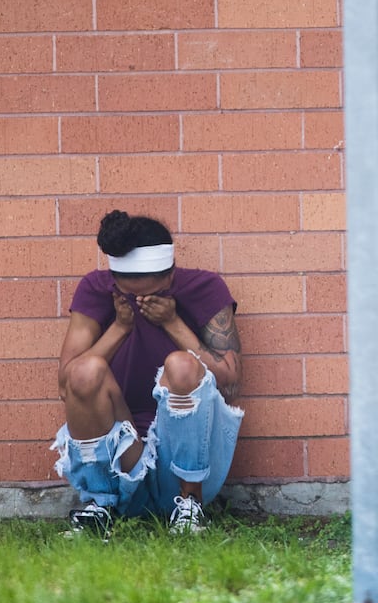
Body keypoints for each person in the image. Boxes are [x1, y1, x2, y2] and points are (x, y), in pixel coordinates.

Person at [53, 210, 243, 538]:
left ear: (170, 275)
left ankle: (190, 506)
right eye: (129, 294)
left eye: (150, 293)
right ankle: (101, 503)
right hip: (122, 458)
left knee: (181, 365)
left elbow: (230, 381)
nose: (139, 300)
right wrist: (120, 327)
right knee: (85, 371)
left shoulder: (204, 287)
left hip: (186, 460)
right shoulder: (95, 289)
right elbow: (67, 383)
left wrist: (172, 323)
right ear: (115, 282)